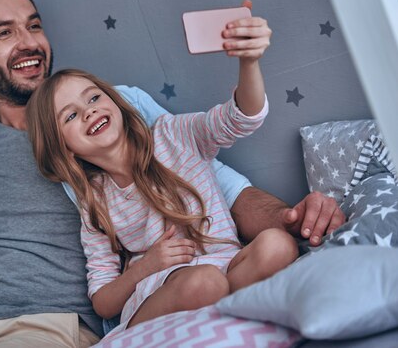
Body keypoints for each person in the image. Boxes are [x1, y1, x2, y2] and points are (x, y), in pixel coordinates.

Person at [0, 0, 344, 347]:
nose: (29, 43)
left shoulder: (127, 113)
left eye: (33, 25)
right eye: (4, 33)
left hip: (45, 326)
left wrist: (288, 219)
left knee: (257, 256)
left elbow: (217, 180)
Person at [27, 65, 298, 331]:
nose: (89, 111)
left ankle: (226, 321)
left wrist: (249, 61)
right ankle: (150, 334)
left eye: (94, 97)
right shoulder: (95, 202)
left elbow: (239, 118)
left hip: (226, 268)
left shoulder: (174, 135)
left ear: (115, 102)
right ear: (65, 149)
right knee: (204, 283)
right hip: (162, 294)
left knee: (278, 245)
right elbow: (103, 303)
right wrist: (148, 265)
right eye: (71, 116)